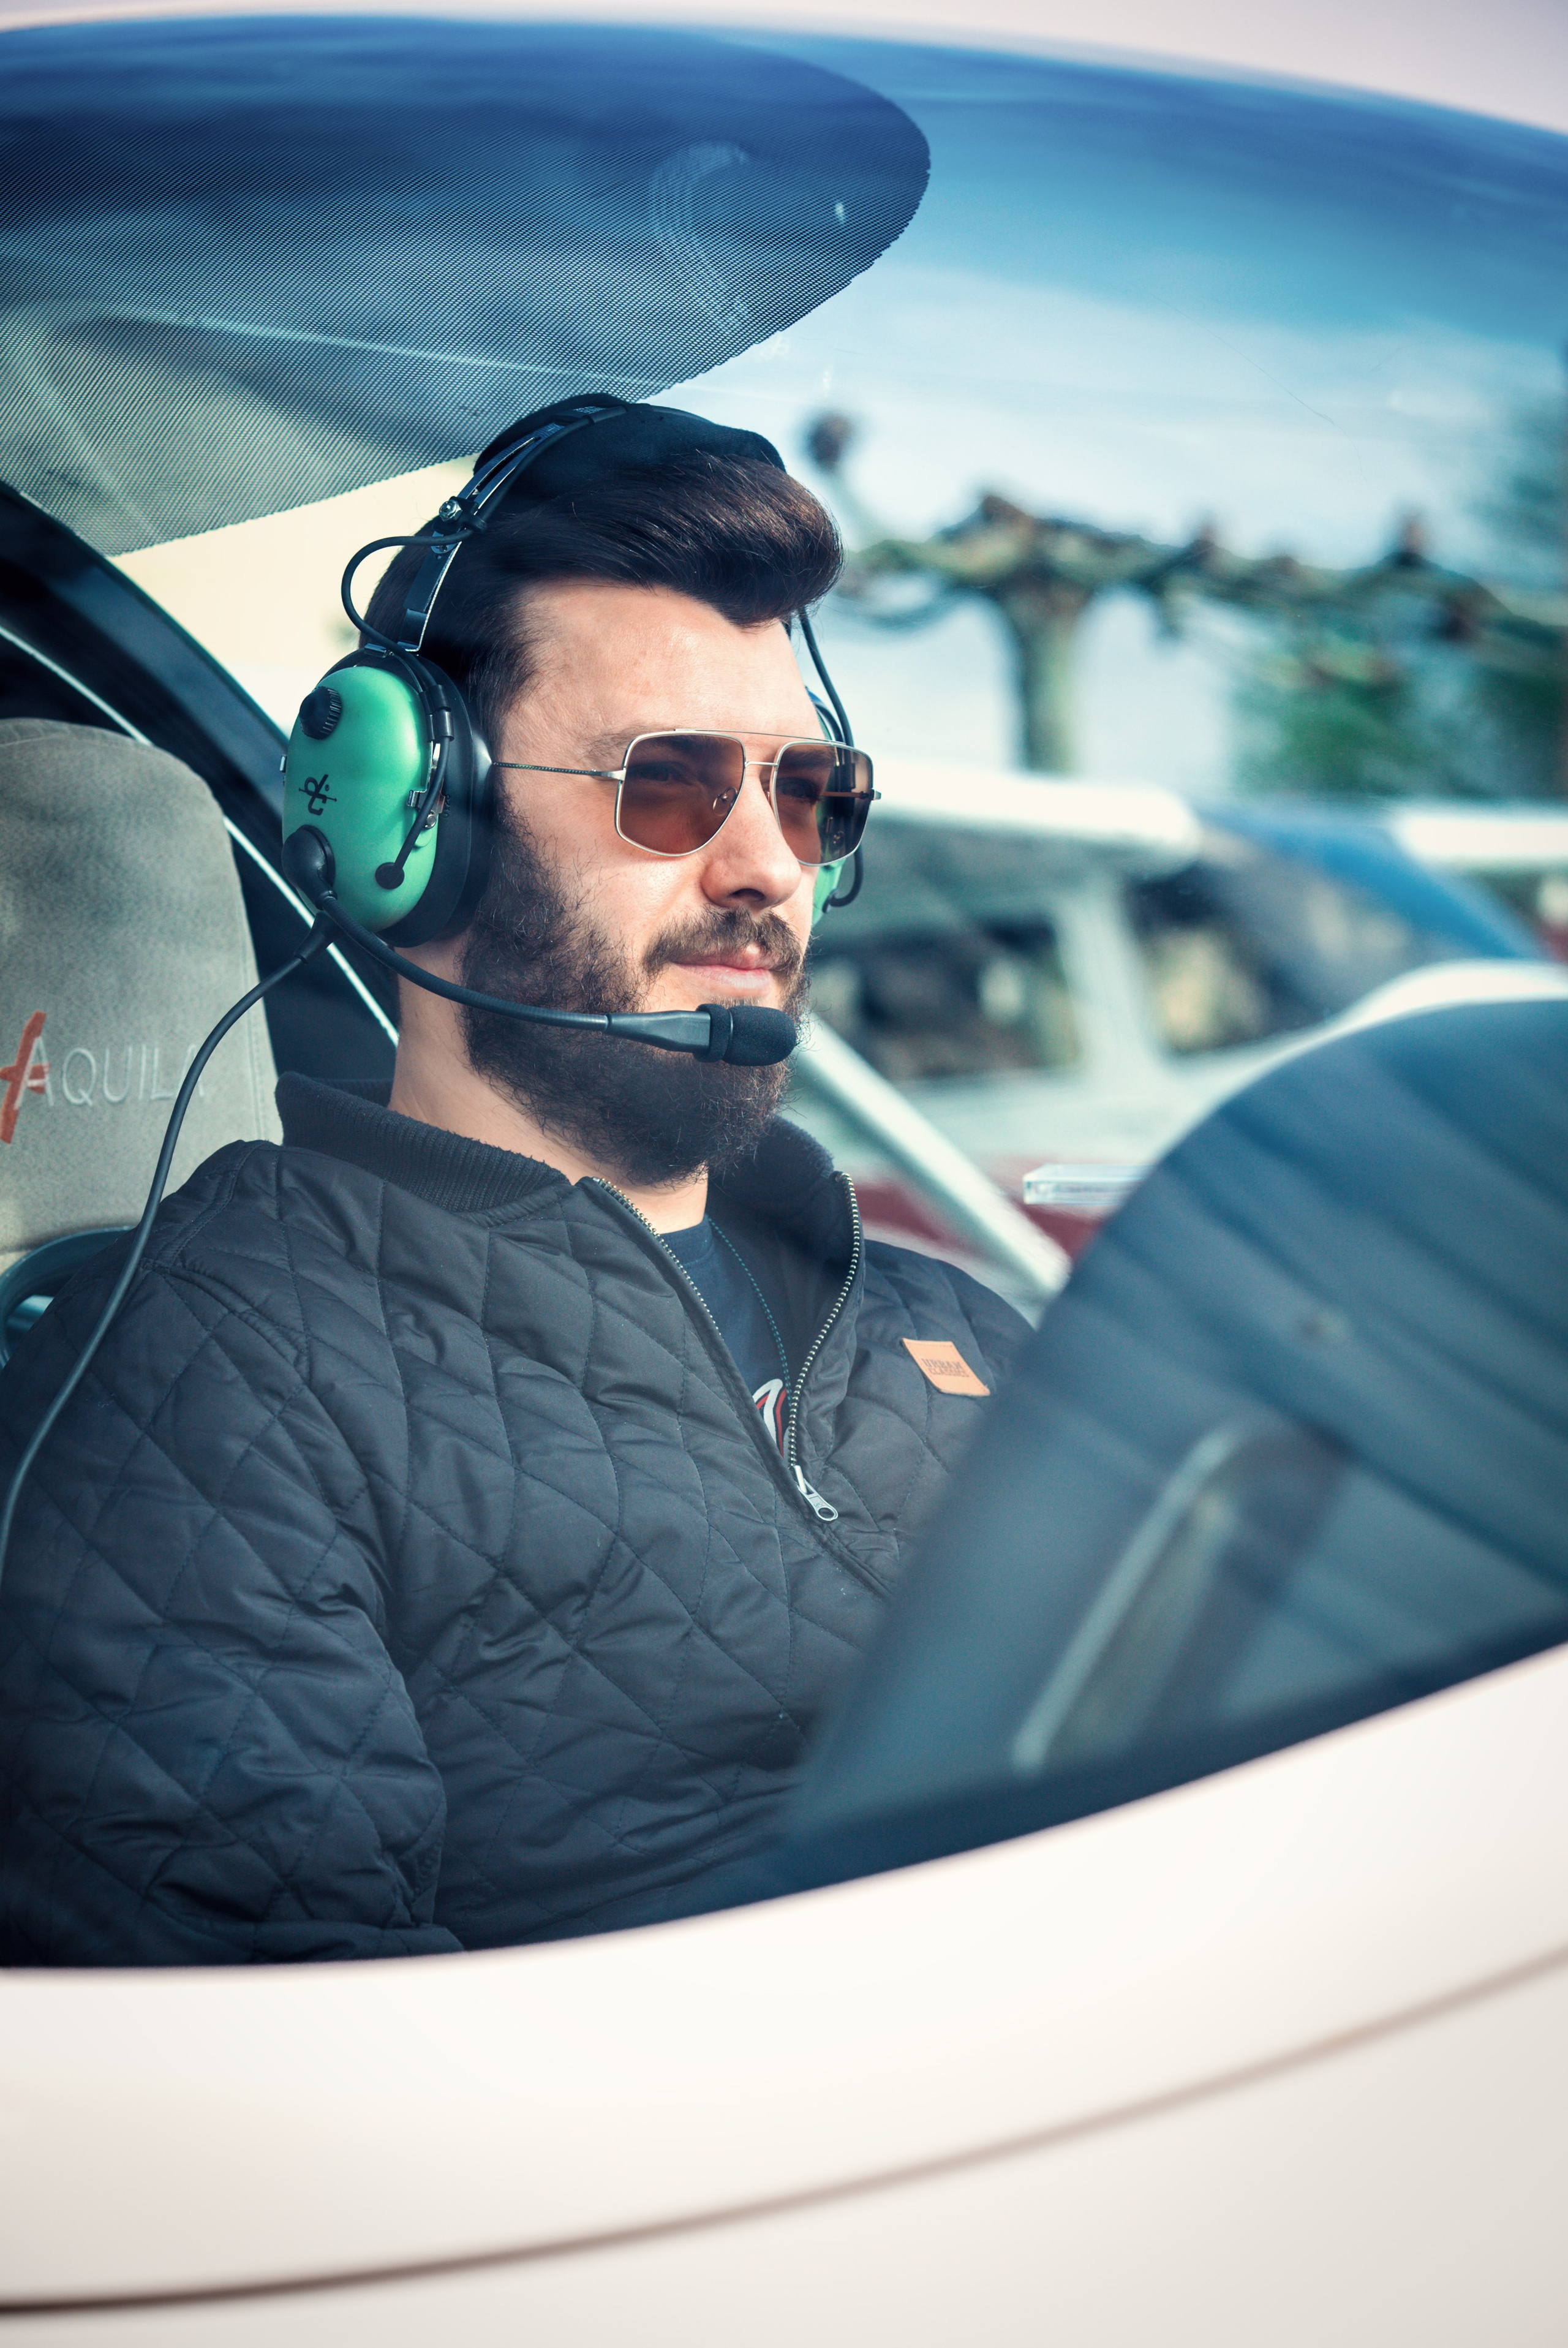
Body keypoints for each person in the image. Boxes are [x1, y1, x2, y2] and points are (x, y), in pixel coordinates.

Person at [0, 403, 1028, 1963]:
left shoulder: (942, 1319)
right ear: (416, 829)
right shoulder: (216, 1384)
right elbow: (307, 2075)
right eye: (670, 784)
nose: (765, 865)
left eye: (808, 793)